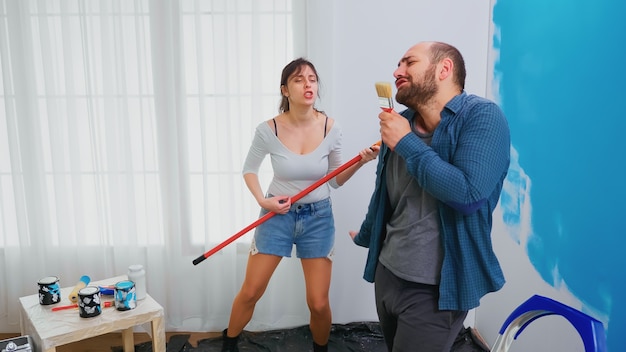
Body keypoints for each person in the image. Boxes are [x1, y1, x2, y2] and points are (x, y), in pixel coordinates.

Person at [349, 41, 511, 351]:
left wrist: (407, 143)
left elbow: (468, 194)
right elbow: (387, 191)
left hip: (435, 291)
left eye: (408, 62)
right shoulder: (402, 122)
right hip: (388, 274)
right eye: (398, 64)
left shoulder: (483, 118)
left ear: (444, 69)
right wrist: (368, 233)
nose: (397, 71)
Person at [221, 58, 380, 352]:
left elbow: (335, 180)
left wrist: (361, 161)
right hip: (276, 216)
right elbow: (249, 169)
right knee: (251, 291)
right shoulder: (269, 129)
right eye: (298, 80)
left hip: (318, 218)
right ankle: (228, 343)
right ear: (285, 90)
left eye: (312, 79)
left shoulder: (331, 127)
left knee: (318, 303)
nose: (308, 84)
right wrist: (262, 200)